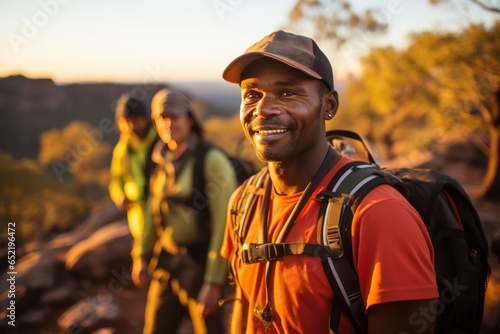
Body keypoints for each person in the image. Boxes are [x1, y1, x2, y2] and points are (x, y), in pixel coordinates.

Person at [220, 30, 439, 333]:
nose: (263, 108)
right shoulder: (244, 201)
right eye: (252, 95)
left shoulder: (379, 214)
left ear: (329, 105)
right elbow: (243, 310)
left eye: (287, 93)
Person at [139, 88, 238, 334]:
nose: (169, 124)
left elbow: (224, 225)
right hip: (168, 263)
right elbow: (153, 213)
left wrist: (214, 282)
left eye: (175, 116)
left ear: (189, 119)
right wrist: (141, 255)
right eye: (162, 118)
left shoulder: (211, 160)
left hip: (201, 265)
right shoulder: (161, 161)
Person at [108, 93, 159, 288]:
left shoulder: (161, 143)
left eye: (136, 120)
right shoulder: (123, 148)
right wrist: (119, 195)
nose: (131, 126)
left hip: (160, 220)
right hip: (137, 219)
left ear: (146, 119)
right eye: (126, 121)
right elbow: (116, 179)